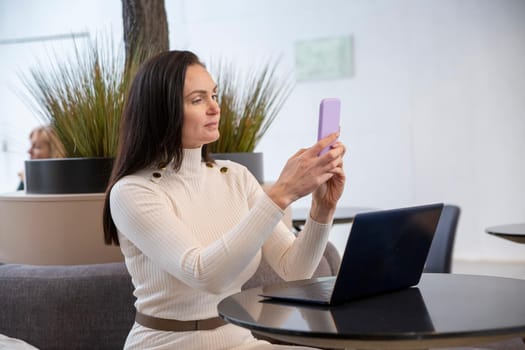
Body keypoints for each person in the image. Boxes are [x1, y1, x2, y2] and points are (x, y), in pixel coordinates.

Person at [102, 50, 346, 350]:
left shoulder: (236, 177)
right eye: (197, 99)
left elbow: (294, 271)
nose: (214, 108)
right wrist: (281, 193)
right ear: (161, 110)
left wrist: (322, 209)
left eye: (214, 95)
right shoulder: (132, 192)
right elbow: (205, 274)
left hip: (239, 340)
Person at [17, 125, 65, 190]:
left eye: (36, 147)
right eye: (31, 145)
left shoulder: (63, 178)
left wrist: (28, 182)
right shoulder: (28, 175)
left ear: (53, 150)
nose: (29, 151)